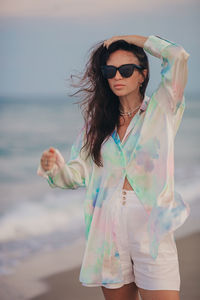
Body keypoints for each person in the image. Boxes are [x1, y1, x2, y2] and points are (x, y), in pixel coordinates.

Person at [37, 34, 190, 300]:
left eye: (126, 70)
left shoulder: (162, 108)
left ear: (142, 75)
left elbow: (177, 56)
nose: (117, 76)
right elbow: (75, 175)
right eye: (110, 71)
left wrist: (127, 39)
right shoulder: (97, 126)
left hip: (150, 225)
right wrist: (53, 168)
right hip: (107, 229)